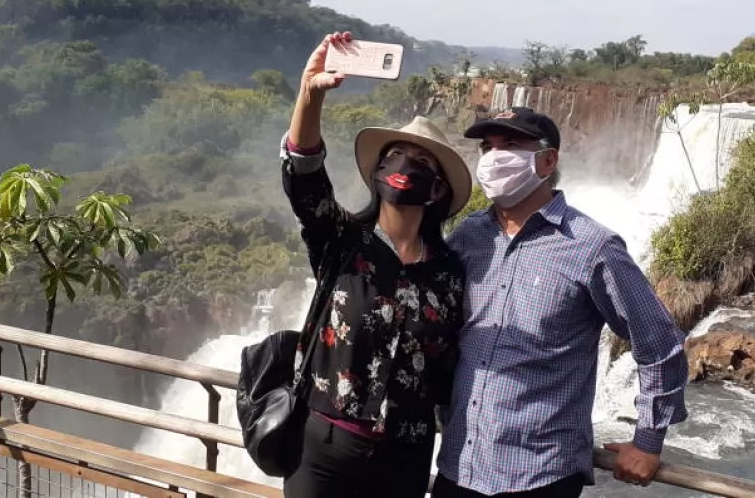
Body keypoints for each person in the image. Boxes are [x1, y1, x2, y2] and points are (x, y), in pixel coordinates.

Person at [434, 107, 689, 498]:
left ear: (548, 159)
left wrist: (648, 441)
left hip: (539, 476)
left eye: (512, 145)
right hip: (459, 464)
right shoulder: (469, 237)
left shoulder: (593, 246)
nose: (494, 157)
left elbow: (659, 343)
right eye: (488, 147)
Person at [280, 31, 473, 498]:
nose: (405, 164)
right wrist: (309, 93)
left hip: (404, 458)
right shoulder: (343, 240)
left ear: (438, 191)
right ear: (378, 172)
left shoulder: (449, 273)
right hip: (324, 449)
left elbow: (452, 370)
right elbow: (303, 176)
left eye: (422, 161)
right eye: (395, 155)